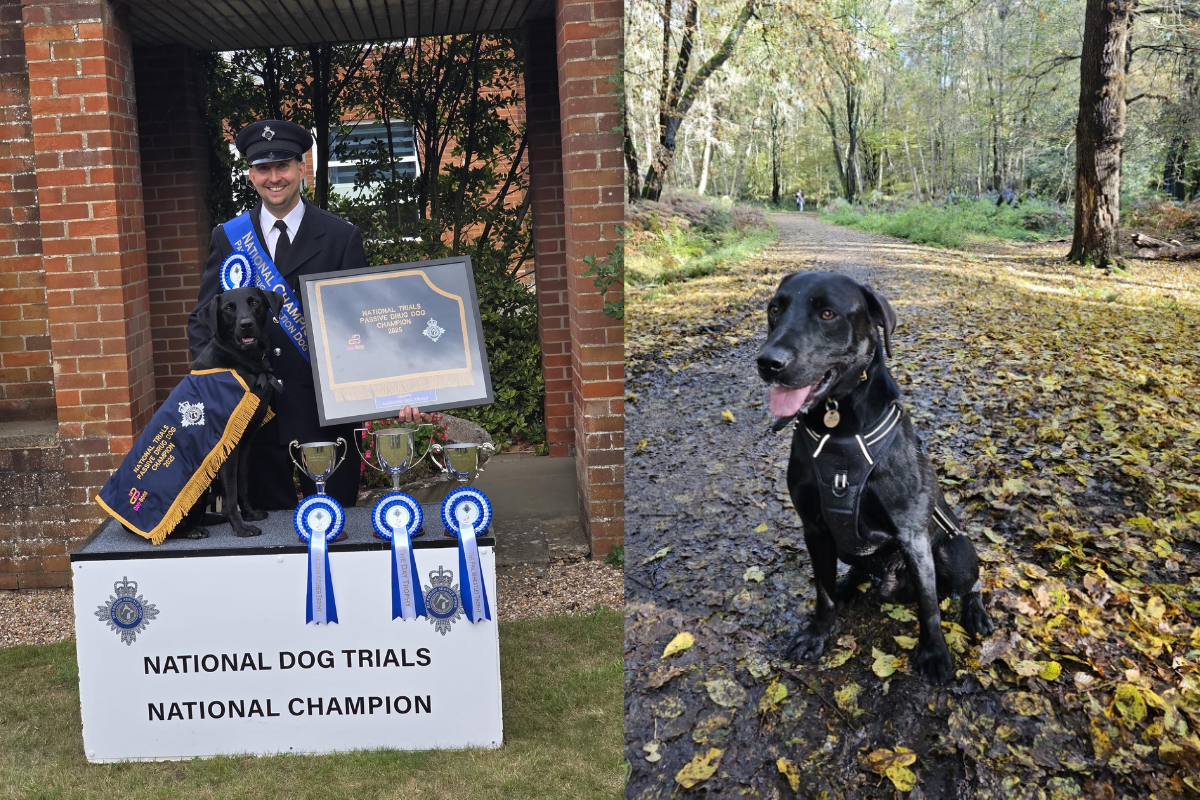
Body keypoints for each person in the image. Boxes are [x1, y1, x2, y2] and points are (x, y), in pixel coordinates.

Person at [187, 119, 429, 511]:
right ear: (251, 175)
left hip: (325, 416)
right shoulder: (228, 238)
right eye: (263, 168)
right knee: (266, 535)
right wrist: (219, 386)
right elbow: (202, 321)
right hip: (256, 420)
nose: (274, 178)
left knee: (333, 529)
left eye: (283, 166)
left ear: (302, 168)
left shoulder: (340, 237)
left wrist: (402, 389)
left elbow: (369, 324)